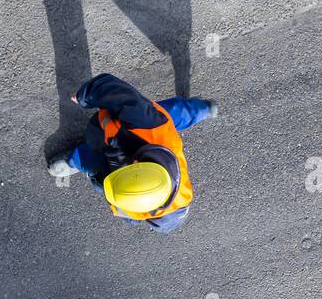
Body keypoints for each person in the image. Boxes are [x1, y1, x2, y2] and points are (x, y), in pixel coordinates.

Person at [48, 73, 217, 232]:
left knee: (94, 163)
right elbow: (116, 92)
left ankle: (75, 160)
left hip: (113, 143)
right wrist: (86, 96)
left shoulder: (137, 206)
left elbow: (132, 213)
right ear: (135, 164)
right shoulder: (150, 124)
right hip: (136, 127)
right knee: (172, 114)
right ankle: (201, 109)